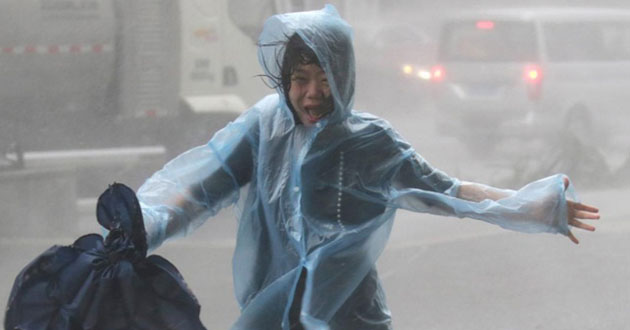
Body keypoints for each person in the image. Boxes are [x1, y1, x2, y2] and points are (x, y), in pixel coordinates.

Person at [136, 5, 599, 330]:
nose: (313, 93)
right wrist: (145, 226)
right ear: (285, 81)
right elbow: (201, 189)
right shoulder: (266, 127)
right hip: (274, 311)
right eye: (300, 79)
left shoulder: (370, 142)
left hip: (349, 318)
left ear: (345, 78)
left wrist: (532, 204)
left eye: (325, 79)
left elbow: (449, 192)